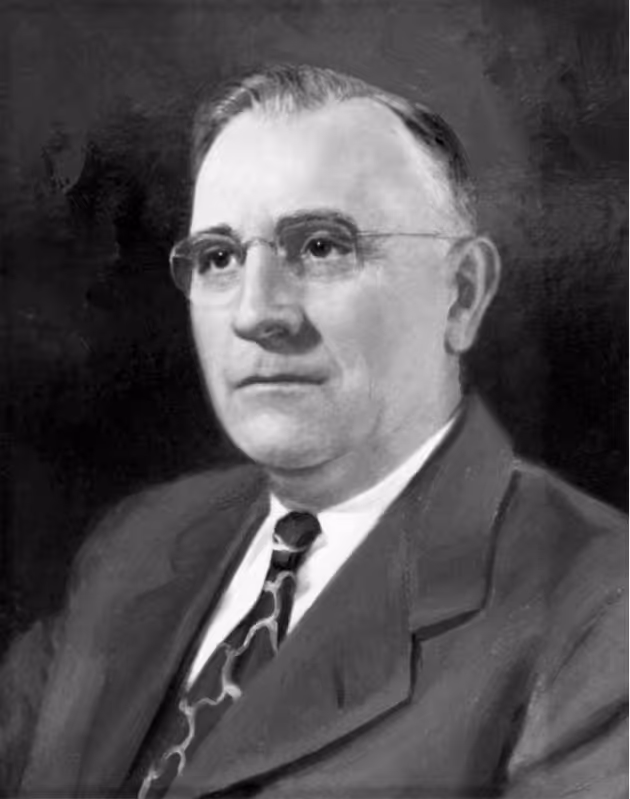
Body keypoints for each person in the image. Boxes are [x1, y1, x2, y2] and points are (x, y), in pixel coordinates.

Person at [1, 64, 626, 799]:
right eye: (219, 258)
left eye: (323, 246)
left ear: (461, 295)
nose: (256, 311)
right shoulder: (140, 543)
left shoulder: (599, 607)